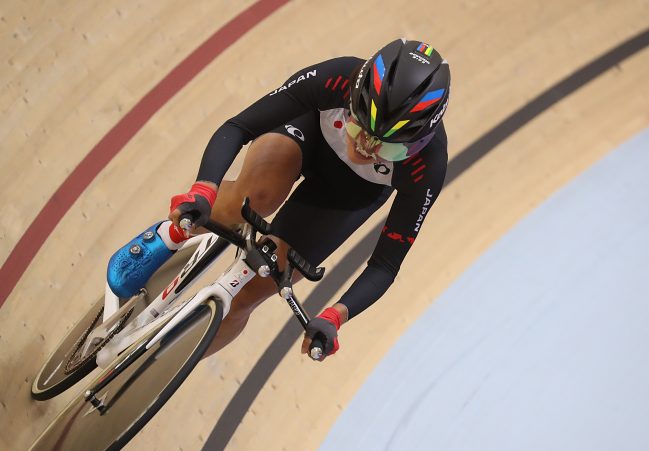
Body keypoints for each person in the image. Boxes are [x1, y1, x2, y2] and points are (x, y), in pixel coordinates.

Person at [106, 39, 450, 360]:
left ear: (416, 145)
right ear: (353, 99)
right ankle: (169, 234)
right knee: (254, 196)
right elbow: (238, 128)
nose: (365, 147)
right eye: (359, 126)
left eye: (386, 147)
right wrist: (202, 191)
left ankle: (153, 370)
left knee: (247, 296)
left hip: (348, 194)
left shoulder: (427, 167)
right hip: (307, 135)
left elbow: (385, 264)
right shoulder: (335, 78)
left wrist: (335, 316)